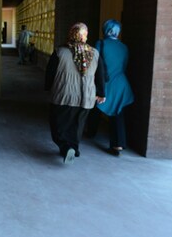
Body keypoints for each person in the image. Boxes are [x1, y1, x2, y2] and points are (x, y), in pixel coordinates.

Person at [45, 22, 106, 164]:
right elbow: (101, 75)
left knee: (58, 125)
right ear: (84, 36)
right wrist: (101, 93)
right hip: (86, 98)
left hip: (64, 95)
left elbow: (50, 73)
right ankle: (74, 148)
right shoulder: (94, 53)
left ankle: (66, 148)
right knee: (77, 125)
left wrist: (48, 88)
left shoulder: (60, 52)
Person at [85, 19, 134, 156]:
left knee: (95, 107)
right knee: (118, 113)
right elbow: (124, 66)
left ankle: (91, 132)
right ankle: (118, 145)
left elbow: (96, 64)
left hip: (105, 83)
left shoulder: (100, 44)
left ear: (105, 30)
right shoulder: (124, 47)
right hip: (121, 84)